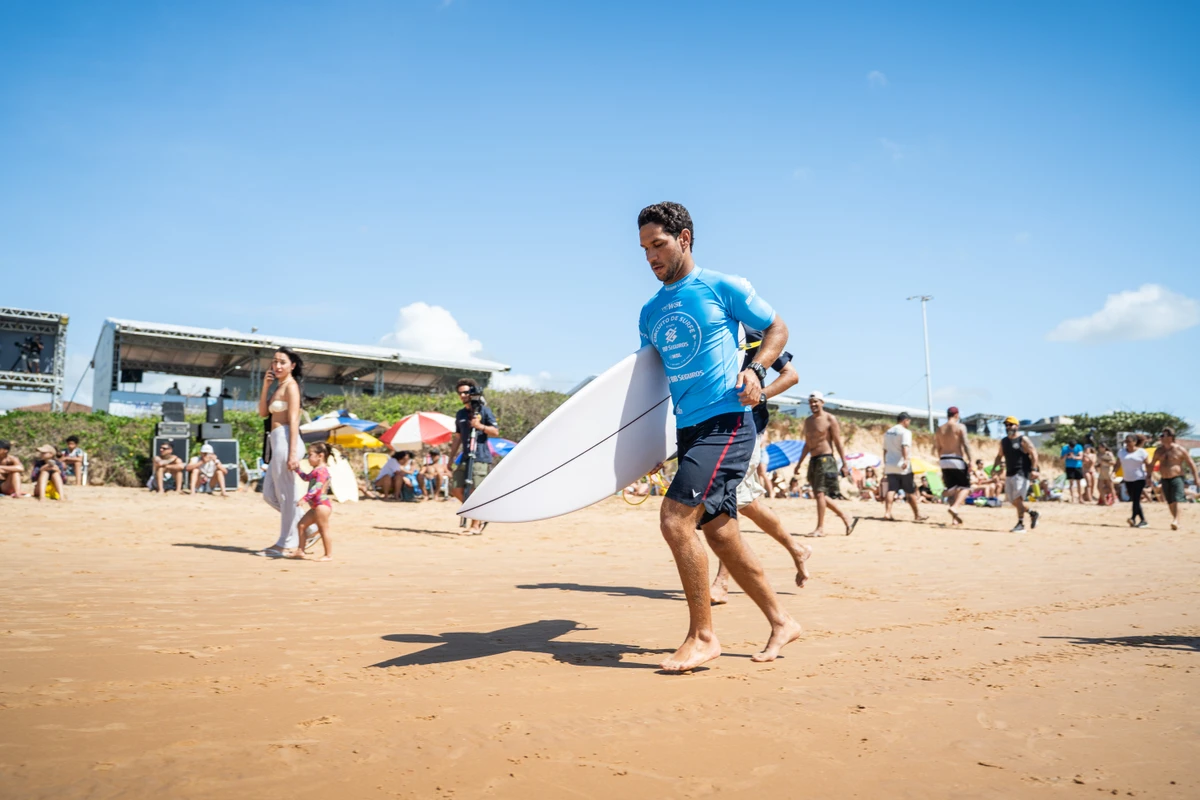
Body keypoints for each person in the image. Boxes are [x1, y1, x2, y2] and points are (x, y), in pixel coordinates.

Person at [637, 200, 802, 672]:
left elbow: (777, 327)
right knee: (722, 533)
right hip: (687, 429)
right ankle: (781, 620)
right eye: (645, 249)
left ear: (684, 238)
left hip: (727, 421)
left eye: (659, 244)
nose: (651, 257)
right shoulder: (651, 312)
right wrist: (647, 446)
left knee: (674, 520)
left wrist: (755, 369)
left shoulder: (721, 286)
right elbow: (650, 387)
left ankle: (703, 636)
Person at [710, 325, 812, 604]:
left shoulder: (752, 335)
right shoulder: (707, 333)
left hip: (746, 427)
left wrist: (760, 396)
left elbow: (791, 375)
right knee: (746, 503)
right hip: (712, 429)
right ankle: (796, 547)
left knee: (728, 500)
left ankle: (722, 581)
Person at [256, 347, 305, 557]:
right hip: (277, 443)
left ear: (292, 365)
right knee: (269, 495)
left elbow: (294, 420)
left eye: (282, 362)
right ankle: (309, 527)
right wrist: (266, 386)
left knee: (286, 496)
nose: (277, 366)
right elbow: (262, 413)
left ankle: (285, 544)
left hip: (287, 441)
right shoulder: (278, 386)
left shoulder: (291, 387)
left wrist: (293, 453)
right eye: (274, 362)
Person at [792, 392, 857, 536]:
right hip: (813, 460)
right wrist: (799, 464)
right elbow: (807, 444)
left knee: (820, 493)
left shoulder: (829, 419)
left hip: (826, 459)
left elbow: (838, 442)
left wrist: (845, 464)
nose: (813, 404)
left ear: (822, 402)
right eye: (811, 402)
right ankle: (845, 516)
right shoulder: (808, 421)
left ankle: (820, 528)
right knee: (818, 494)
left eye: (816, 402)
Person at [448, 377, 499, 535]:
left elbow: (495, 431)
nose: (463, 395)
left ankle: (475, 525)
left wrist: (479, 426)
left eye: (465, 392)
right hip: (465, 456)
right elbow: (457, 438)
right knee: (456, 489)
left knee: (475, 491)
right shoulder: (461, 413)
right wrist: (450, 459)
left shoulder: (484, 411)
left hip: (480, 456)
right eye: (460, 393)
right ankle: (479, 512)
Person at [992, 417, 1040, 533]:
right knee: (1011, 500)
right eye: (1006, 425)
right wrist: (994, 468)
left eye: (1011, 424)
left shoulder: (1023, 439)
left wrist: (1034, 469)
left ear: (1017, 426)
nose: (1008, 427)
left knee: (1018, 499)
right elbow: (999, 456)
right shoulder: (1004, 441)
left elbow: (1034, 453)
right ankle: (1032, 513)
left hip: (1022, 472)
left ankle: (1020, 524)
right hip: (1010, 472)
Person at [291, 442, 335, 561]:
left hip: (322, 506)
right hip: (316, 506)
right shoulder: (316, 470)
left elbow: (317, 487)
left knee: (323, 529)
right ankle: (300, 550)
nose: (308, 458)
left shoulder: (322, 471)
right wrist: (297, 470)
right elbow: (306, 478)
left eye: (310, 455)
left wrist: (304, 499)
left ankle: (328, 555)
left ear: (320, 456)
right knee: (301, 525)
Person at [1148, 427, 1199, 531]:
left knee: (1176, 499)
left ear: (1170, 437)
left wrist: (1196, 478)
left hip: (1177, 477)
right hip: (1164, 478)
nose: (1161, 437)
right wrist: (1148, 476)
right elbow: (1152, 464)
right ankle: (1176, 520)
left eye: (1163, 435)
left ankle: (1176, 520)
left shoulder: (1179, 449)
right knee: (1170, 501)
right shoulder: (1159, 450)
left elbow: (1191, 464)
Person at [883, 412, 927, 522]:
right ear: (905, 420)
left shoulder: (888, 432)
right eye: (909, 422)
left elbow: (885, 449)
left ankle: (887, 513)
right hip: (902, 464)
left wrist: (886, 462)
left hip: (890, 464)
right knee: (910, 490)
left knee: (891, 489)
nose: (909, 424)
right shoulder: (905, 432)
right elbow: (905, 446)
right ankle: (917, 515)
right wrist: (906, 460)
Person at [935, 406, 974, 526]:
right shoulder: (960, 427)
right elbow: (966, 444)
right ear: (956, 415)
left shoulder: (940, 429)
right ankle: (955, 507)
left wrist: (942, 460)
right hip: (956, 458)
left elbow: (938, 448)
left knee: (952, 489)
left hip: (943, 460)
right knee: (966, 487)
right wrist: (971, 460)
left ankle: (954, 519)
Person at [1118, 434, 1150, 528]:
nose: (1127, 443)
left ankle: (1133, 518)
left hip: (1139, 478)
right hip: (1128, 478)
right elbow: (1118, 463)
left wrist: (1149, 476)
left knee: (1136, 499)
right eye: (1126, 441)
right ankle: (1143, 520)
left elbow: (1148, 465)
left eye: (1129, 441)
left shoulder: (1141, 452)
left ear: (1135, 442)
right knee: (1134, 499)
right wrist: (1113, 472)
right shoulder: (1122, 452)